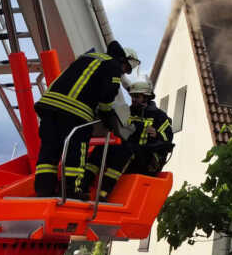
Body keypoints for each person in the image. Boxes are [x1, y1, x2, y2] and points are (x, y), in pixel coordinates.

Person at [33, 41, 139, 199]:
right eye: (126, 69)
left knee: (49, 150)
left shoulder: (88, 57)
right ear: (124, 61)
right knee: (76, 151)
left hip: (49, 106)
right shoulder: (113, 65)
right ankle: (71, 191)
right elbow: (109, 93)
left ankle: (43, 189)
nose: (124, 72)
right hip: (74, 111)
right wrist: (105, 113)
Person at [83, 78, 174, 201]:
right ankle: (83, 186)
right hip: (127, 152)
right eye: (132, 96)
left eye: (137, 96)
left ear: (146, 97)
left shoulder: (159, 116)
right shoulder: (127, 112)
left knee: (124, 150)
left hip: (146, 158)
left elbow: (167, 140)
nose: (133, 99)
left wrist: (157, 134)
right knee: (101, 148)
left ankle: (104, 193)